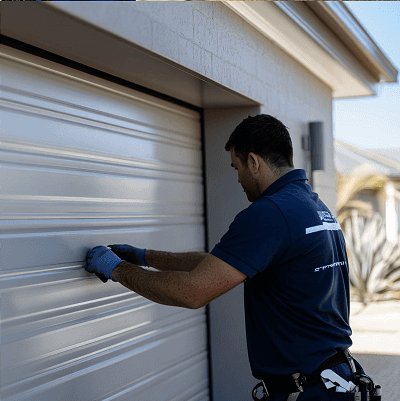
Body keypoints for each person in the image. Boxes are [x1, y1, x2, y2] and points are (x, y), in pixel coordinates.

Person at [86, 114, 372, 401]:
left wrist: (116, 269)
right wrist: (144, 256)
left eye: (236, 167)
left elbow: (192, 292)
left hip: (310, 391)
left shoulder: (270, 213)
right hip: (335, 380)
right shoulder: (312, 206)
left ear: (253, 161)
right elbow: (223, 264)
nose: (238, 179)